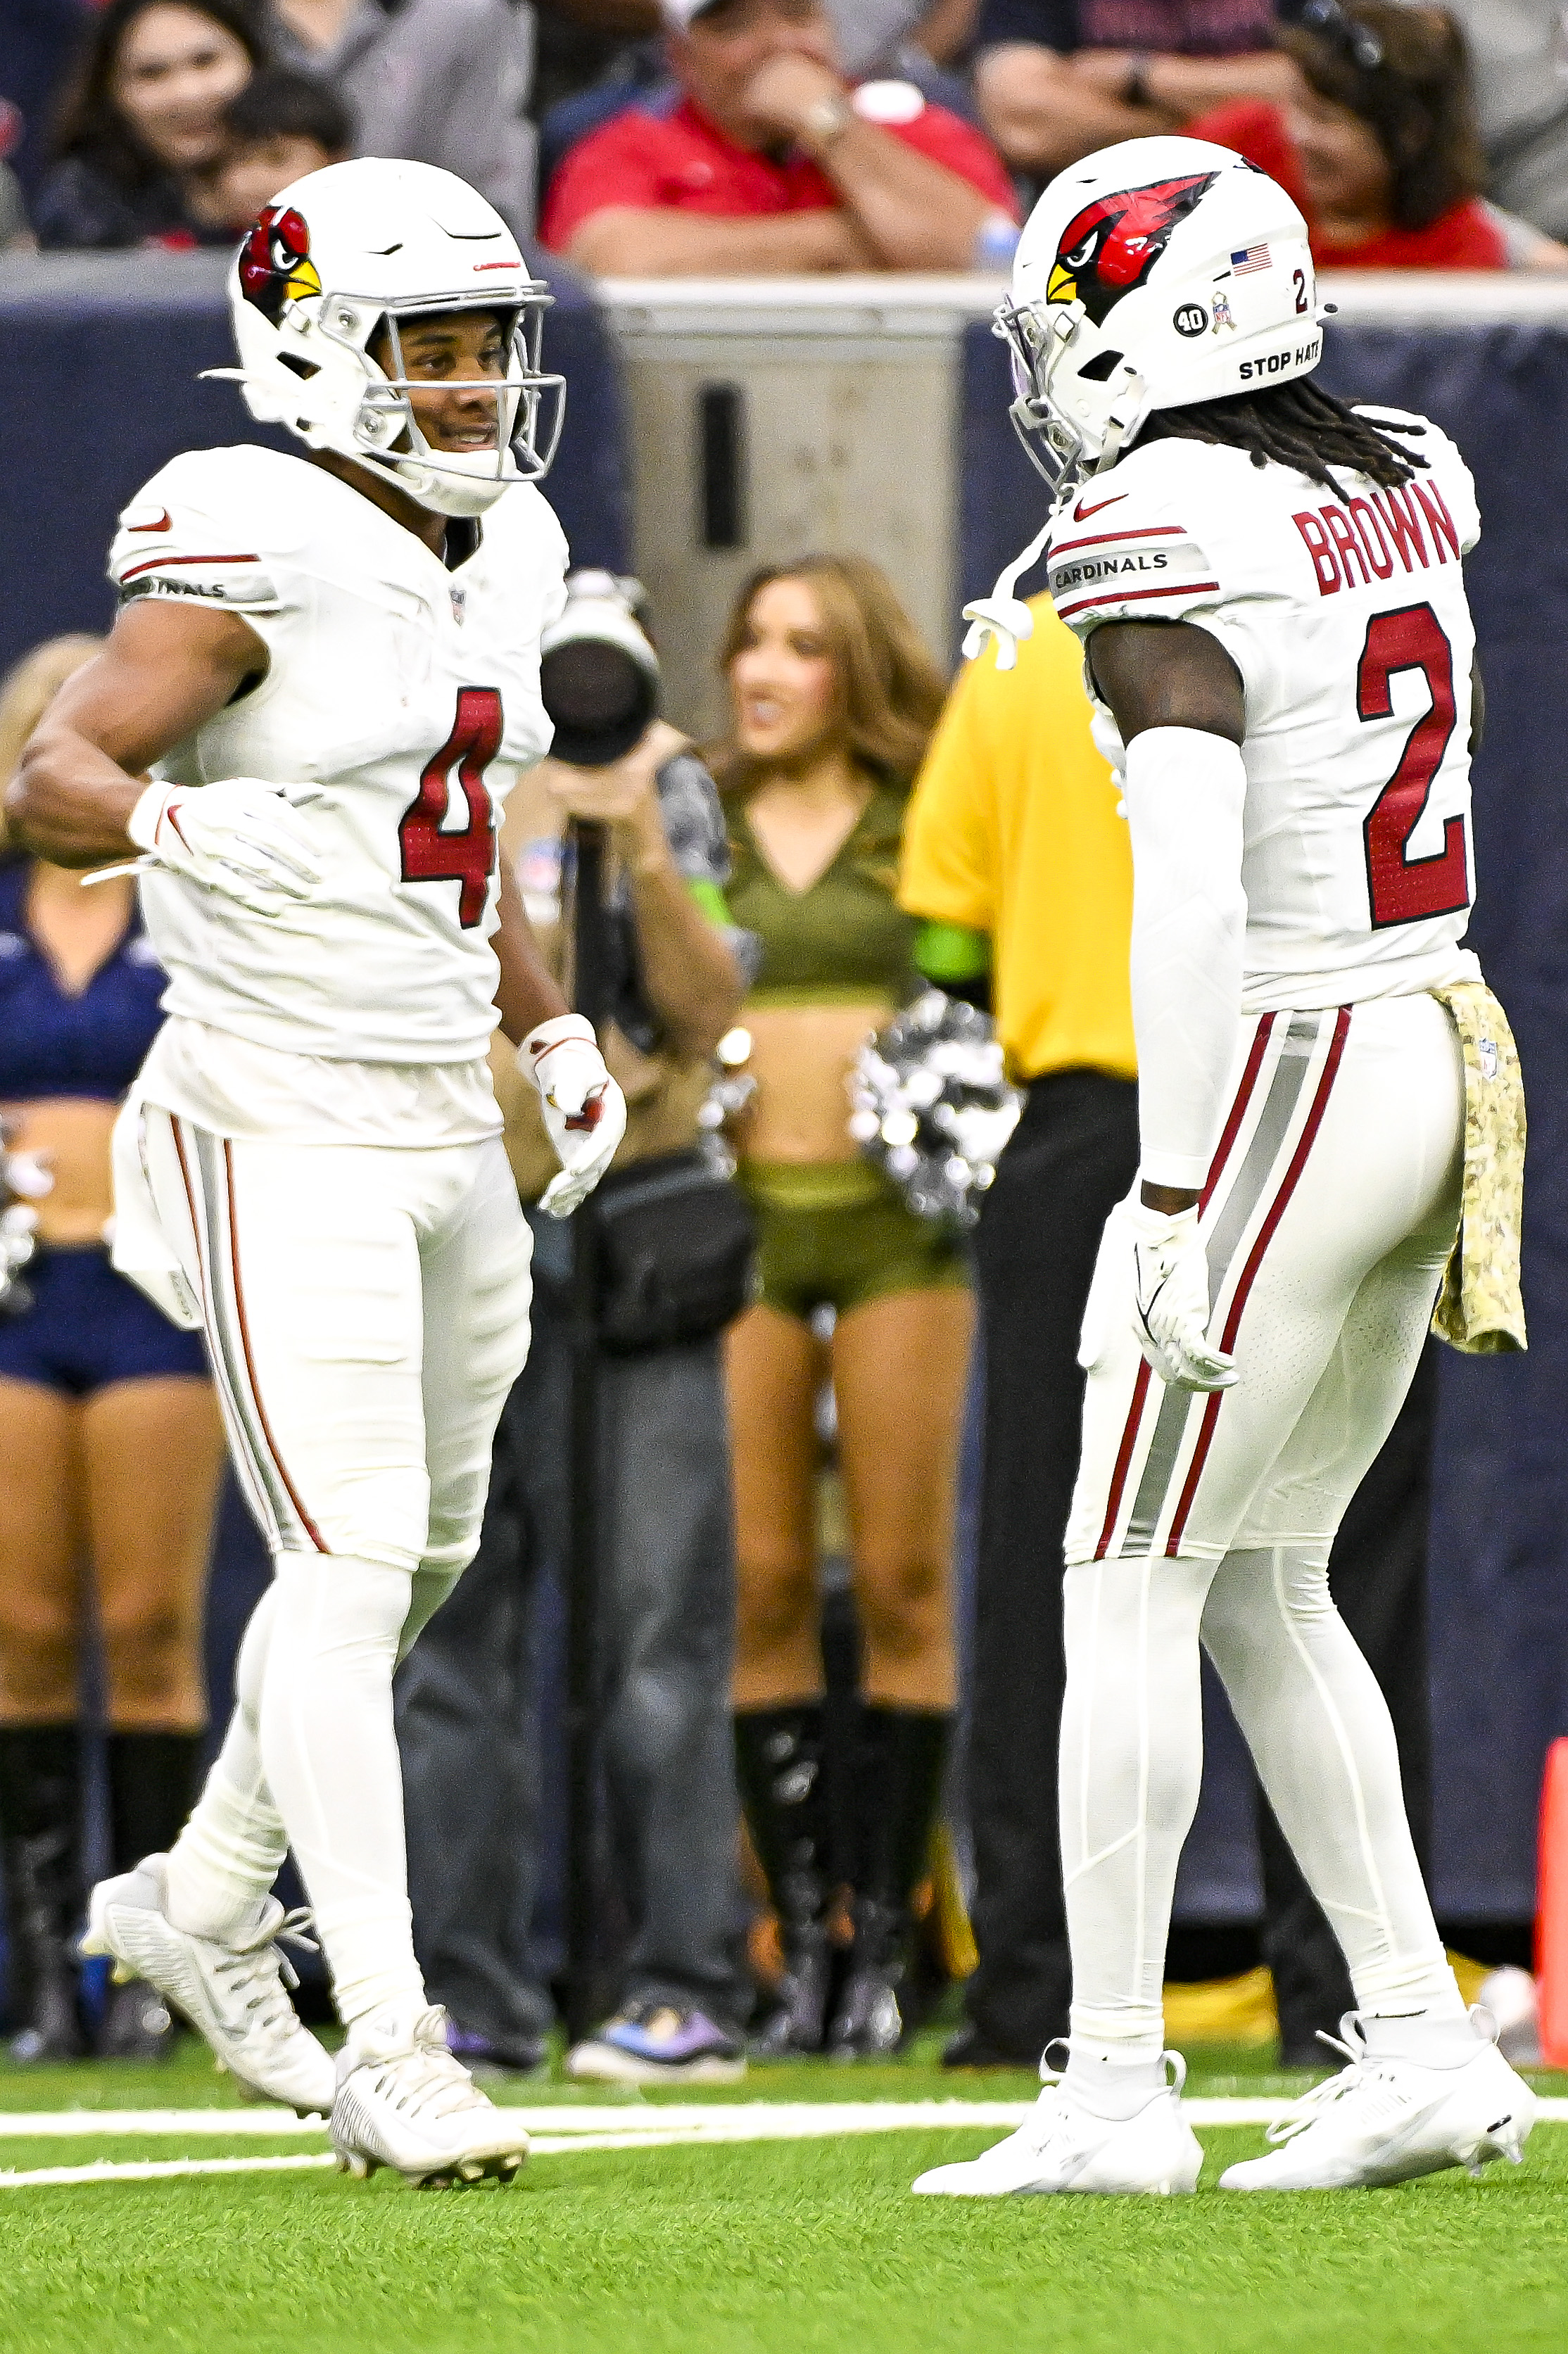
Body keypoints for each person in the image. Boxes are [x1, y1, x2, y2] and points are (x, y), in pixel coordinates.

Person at [916, 134, 1535, 2197]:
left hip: (1280, 1049)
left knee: (1120, 1574)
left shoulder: (1159, 514)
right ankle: (1420, 2042)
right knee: (1267, 1572)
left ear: (1153, 325)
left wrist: (1170, 1191)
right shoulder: (1393, 463)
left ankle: (1105, 2082)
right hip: (1430, 1029)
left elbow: (1183, 877)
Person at [7, 156, 627, 2189]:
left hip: (443, 1108)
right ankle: (392, 2031)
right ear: (314, 350)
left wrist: (543, 1022)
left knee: (421, 1565)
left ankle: (200, 1892)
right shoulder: (245, 534)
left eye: (483, 350)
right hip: (275, 1114)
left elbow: (454, 839)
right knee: (351, 1567)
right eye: (426, 352)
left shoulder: (509, 538)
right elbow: (54, 770)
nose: (465, 388)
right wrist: (174, 834)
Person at [899, 593, 1448, 2074]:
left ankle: (1070, 2022)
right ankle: (1370, 2009)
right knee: (1303, 1571)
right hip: (1393, 1060)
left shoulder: (1051, 623)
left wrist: (1164, 1189)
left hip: (1184, 1106)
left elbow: (950, 919)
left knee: (1092, 1568)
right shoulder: (1371, 553)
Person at [399, 605, 753, 2084]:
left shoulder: (674, 784)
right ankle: (465, 1985)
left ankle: (679, 1980)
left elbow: (707, 1003)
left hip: (646, 1240)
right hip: (478, 1218)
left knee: (659, 1627)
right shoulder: (446, 774)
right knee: (454, 1633)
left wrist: (643, 842)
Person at [717, 555, 972, 2058]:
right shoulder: (694, 809)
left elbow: (969, 990)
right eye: (752, 635)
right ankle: (794, 1941)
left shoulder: (917, 810)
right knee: (758, 1584)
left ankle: (886, 1943)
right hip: (739, 1233)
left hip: (896, 1234)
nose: (764, 665)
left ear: (856, 670)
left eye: (803, 644)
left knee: (898, 1581)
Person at [0, 636, 226, 2065]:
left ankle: (149, 1966)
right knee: (21, 1635)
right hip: (20, 1306)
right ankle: (33, 1971)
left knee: (149, 1629)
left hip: (149, 1290)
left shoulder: (191, 902)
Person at [540, 0, 1020, 276]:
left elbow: (994, 258)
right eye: (736, 26)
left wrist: (828, 123)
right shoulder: (626, 144)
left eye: (797, 14)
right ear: (681, 58)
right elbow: (609, 264)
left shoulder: (915, 125)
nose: (779, 45)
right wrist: (843, 242)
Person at [1189, 0, 1568, 268]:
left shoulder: (1456, 249)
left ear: (1408, 135)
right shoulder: (1247, 143)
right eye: (1299, 108)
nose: (1300, 136)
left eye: (1326, 120)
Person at [267, 0, 538, 237]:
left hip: (428, 253)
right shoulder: (243, 17)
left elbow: (487, 177)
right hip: (251, 245)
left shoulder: (465, 15)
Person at [970, 0, 1308, 188]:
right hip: (1099, 228)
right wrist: (1237, 121)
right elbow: (1025, 125)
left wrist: (1138, 76)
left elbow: (1318, 88)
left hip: (1280, 212)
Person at [33, 0, 267, 251]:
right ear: (111, 92)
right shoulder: (83, 202)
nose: (187, 94)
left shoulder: (308, 181)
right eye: (151, 73)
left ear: (253, 60)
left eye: (205, 61)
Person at [185, 63, 352, 236]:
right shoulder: (187, 253)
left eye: (277, 159)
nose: (255, 181)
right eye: (239, 160)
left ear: (337, 161)